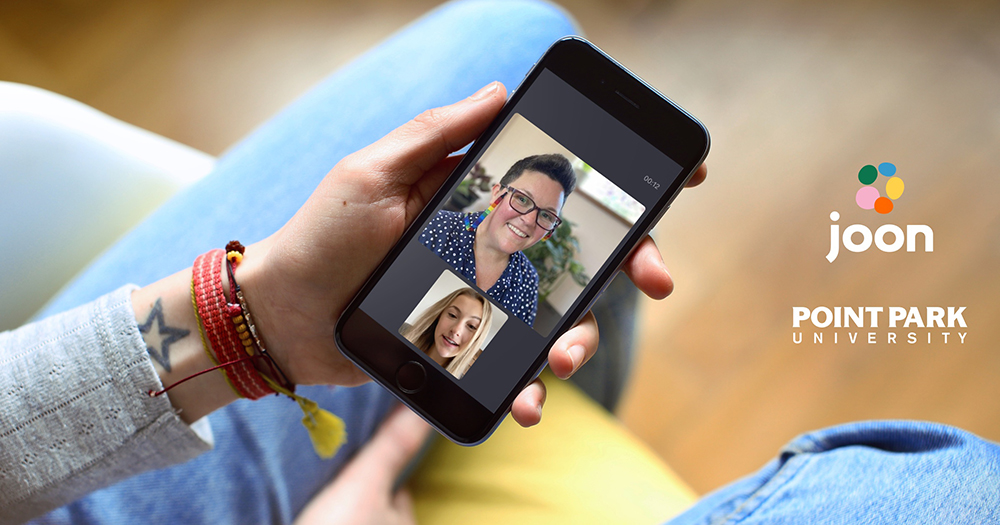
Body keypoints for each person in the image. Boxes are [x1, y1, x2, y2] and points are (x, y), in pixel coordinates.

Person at [2, 1, 996, 524]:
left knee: (516, 38)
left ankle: (546, 410)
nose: (520, 215)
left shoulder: (513, 283)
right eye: (515, 197)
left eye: (540, 210)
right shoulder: (450, 250)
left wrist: (252, 313)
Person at [419, 153, 576, 326]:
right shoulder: (433, 226)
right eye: (522, 199)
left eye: (546, 215)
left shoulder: (528, 281)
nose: (529, 220)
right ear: (497, 194)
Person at [400, 287, 493, 379]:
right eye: (452, 315)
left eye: (471, 326)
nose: (456, 330)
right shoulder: (402, 331)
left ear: (477, 339)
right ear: (439, 315)